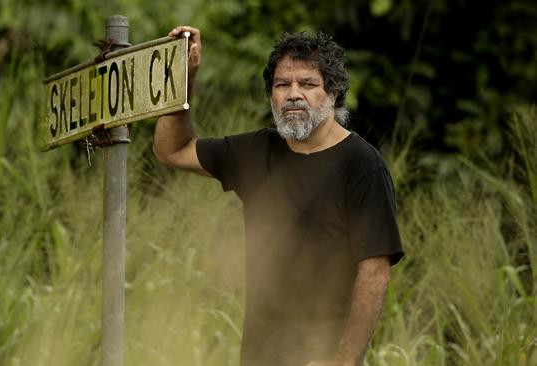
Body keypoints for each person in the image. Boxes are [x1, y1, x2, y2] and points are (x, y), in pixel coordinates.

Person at [153, 25, 404, 366]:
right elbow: (172, 150)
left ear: (333, 93)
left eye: (308, 84)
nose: (293, 94)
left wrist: (342, 361)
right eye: (282, 85)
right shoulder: (256, 151)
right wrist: (183, 76)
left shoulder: (362, 165)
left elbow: (375, 272)